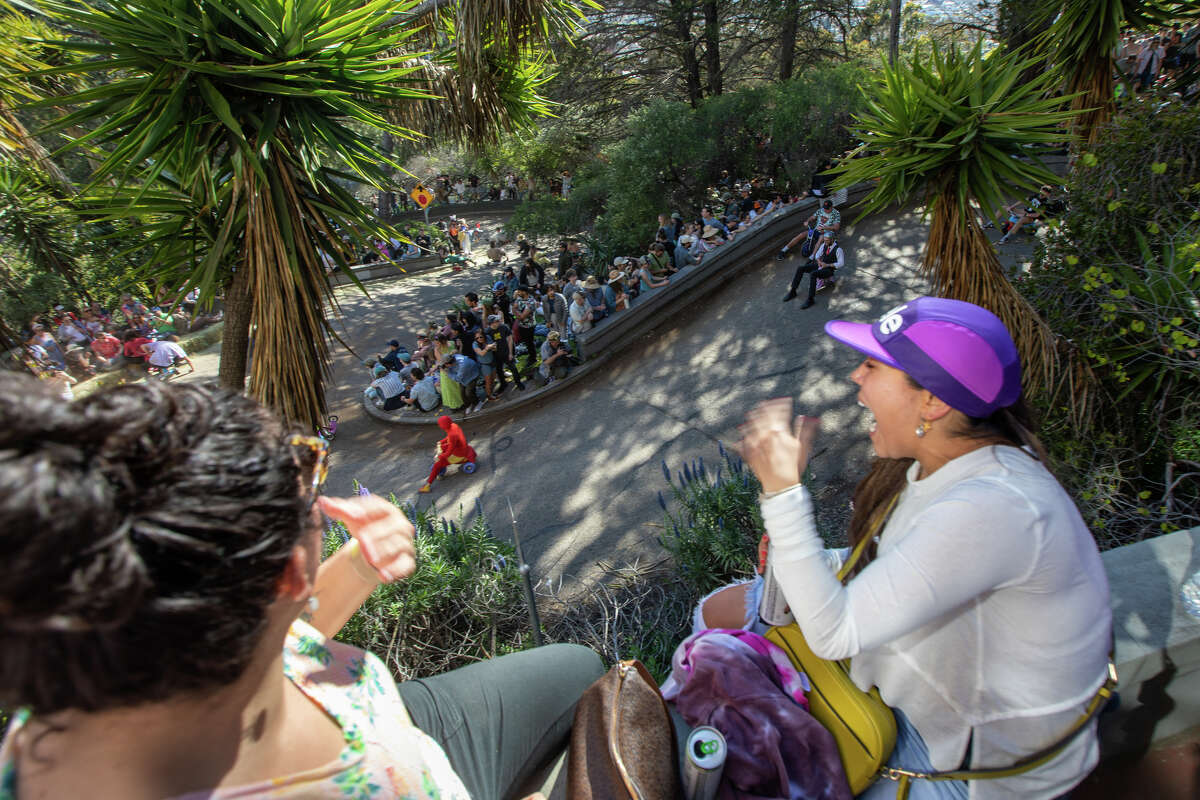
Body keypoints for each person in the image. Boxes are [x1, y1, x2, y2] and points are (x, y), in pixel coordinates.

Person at [0, 376, 603, 800]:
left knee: (570, 666)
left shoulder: (84, 668)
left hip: (358, 710)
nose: (316, 481)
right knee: (584, 667)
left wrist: (360, 568)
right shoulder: (375, 786)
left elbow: (268, 640)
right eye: (307, 475)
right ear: (290, 571)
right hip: (389, 749)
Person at [699, 297, 1112, 799]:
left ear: (932, 403)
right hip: (921, 693)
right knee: (710, 615)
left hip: (972, 764)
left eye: (872, 365)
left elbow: (836, 633)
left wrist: (783, 494)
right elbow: (902, 563)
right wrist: (812, 557)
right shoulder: (943, 465)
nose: (855, 376)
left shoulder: (996, 509)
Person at [783, 229, 845, 308]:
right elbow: (817, 255)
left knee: (813, 274)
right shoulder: (824, 245)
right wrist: (819, 261)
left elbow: (841, 263)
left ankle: (810, 299)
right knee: (800, 268)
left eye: (827, 240)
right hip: (821, 265)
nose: (825, 242)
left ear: (832, 239)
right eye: (824, 240)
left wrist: (828, 265)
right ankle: (793, 291)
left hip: (828, 270)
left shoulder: (838, 250)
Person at [421, 414, 478, 493]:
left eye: (440, 425)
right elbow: (449, 439)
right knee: (443, 449)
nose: (440, 426)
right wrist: (441, 442)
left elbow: (449, 451)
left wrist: (440, 457)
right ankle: (438, 471)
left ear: (443, 426)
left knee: (437, 464)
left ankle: (428, 485)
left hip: (458, 453)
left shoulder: (452, 435)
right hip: (462, 448)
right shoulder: (453, 425)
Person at [486, 314, 525, 393]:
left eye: (498, 320)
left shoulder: (504, 327)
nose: (498, 322)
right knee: (499, 371)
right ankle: (503, 384)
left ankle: (518, 383)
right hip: (496, 355)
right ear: (491, 323)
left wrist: (510, 353)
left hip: (506, 352)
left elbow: (510, 340)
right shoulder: (487, 332)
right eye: (496, 321)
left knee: (513, 368)